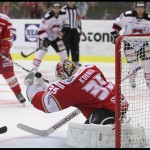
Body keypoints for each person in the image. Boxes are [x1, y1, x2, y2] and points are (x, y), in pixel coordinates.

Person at [24, 59, 128, 125]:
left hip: (107, 113)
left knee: (90, 136)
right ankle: (119, 120)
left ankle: (113, 124)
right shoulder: (91, 67)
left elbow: (47, 104)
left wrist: (32, 88)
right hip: (120, 103)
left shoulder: (71, 87)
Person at [110, 1, 150, 88]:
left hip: (143, 43)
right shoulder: (127, 15)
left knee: (147, 63)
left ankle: (148, 81)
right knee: (133, 65)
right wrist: (115, 35)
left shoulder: (149, 19)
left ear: (144, 8)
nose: (140, 10)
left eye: (142, 8)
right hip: (129, 43)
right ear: (135, 8)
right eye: (138, 8)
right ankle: (132, 81)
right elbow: (116, 26)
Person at [31, 2, 70, 73]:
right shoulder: (47, 17)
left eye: (58, 8)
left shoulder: (63, 13)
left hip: (56, 37)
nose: (56, 10)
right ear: (52, 8)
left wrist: (64, 29)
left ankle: (68, 69)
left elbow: (65, 23)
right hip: (45, 37)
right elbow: (40, 30)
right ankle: (34, 69)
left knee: (64, 53)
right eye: (55, 8)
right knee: (41, 52)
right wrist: (45, 38)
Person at [0, 13, 26, 104]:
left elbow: (8, 38)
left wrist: (4, 49)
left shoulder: (5, 19)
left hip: (2, 54)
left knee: (9, 74)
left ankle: (18, 93)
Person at [61, 2, 83, 67]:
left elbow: (79, 19)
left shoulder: (77, 9)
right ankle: (65, 62)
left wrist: (80, 28)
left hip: (75, 31)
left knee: (75, 46)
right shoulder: (63, 9)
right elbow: (60, 20)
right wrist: (61, 30)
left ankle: (76, 61)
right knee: (66, 47)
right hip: (66, 31)